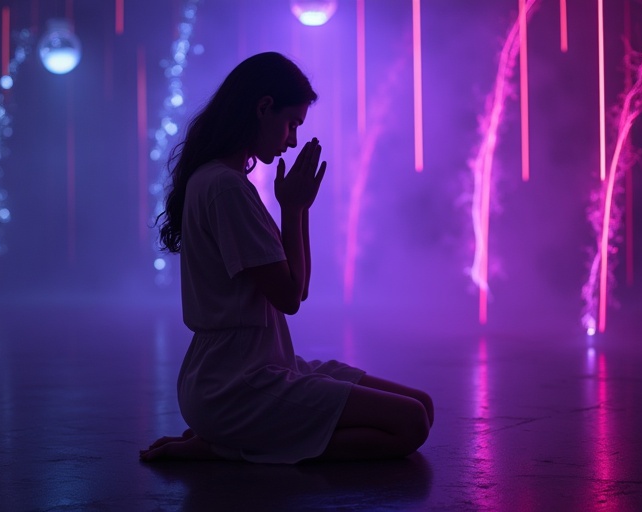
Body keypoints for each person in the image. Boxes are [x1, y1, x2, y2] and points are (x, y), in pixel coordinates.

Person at [140, 52, 433, 464]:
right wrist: (294, 210)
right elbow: (290, 298)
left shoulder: (224, 181)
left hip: (254, 367)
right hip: (235, 385)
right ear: (263, 108)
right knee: (411, 423)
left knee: (422, 405)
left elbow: (298, 288)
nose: (292, 140)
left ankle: (234, 438)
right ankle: (225, 446)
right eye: (291, 123)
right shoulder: (225, 188)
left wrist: (298, 208)